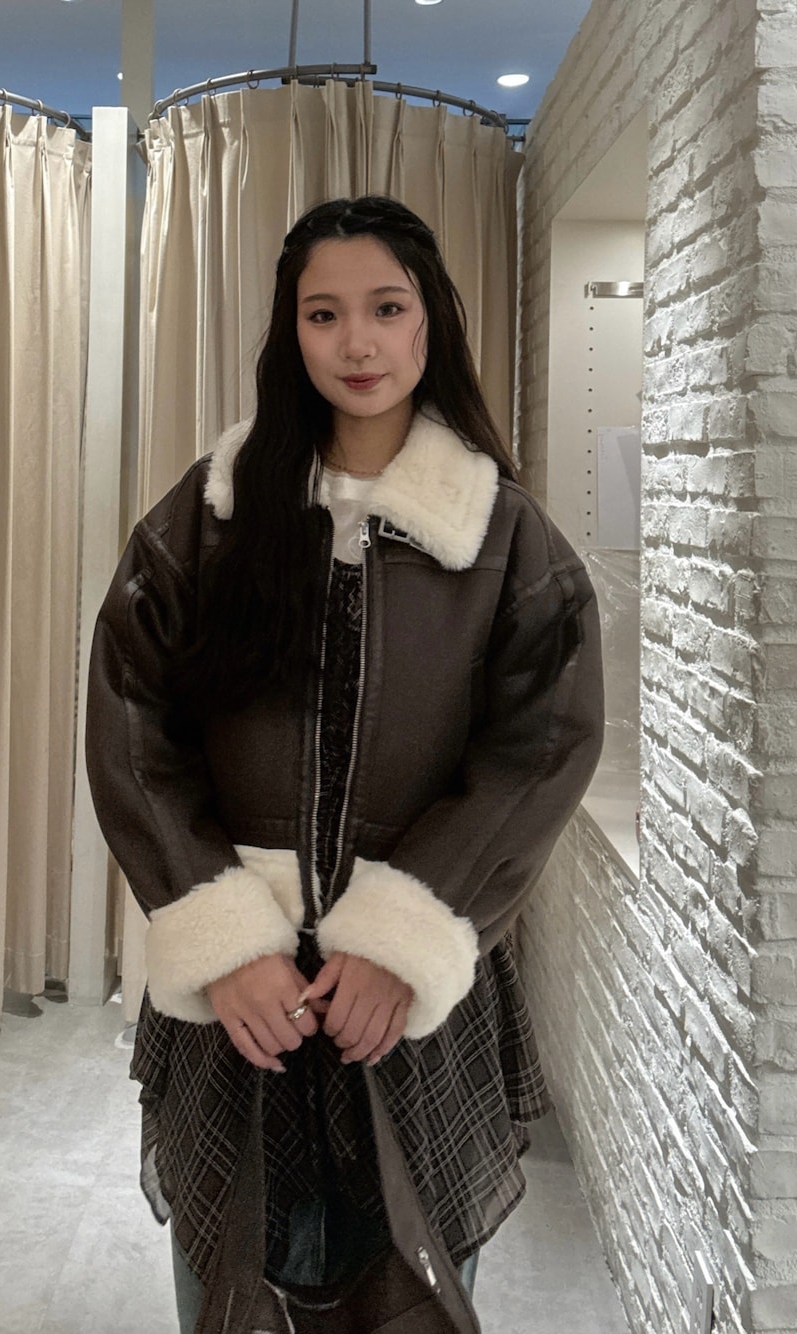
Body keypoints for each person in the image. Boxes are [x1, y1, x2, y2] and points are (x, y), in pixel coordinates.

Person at [85, 195, 604, 1334]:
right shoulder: (209, 517)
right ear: (292, 331)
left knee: (411, 1292)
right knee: (230, 1293)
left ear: (430, 323)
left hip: (409, 1010)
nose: (357, 343)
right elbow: (132, 723)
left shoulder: (504, 536)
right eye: (323, 314)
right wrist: (224, 939)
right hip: (242, 1008)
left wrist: (404, 935)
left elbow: (543, 746)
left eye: (386, 308)